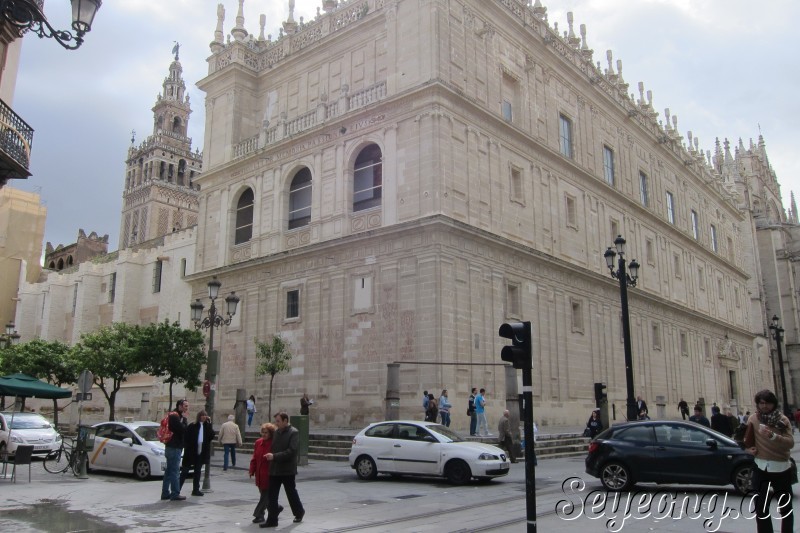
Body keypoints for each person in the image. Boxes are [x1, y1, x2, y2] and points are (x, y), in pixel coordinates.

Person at [744, 389, 794, 533]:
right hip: (760, 467)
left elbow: (790, 442)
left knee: (785, 507)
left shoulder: (782, 419)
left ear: (774, 404)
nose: (764, 406)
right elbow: (744, 438)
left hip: (781, 468)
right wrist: (748, 449)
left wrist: (772, 436)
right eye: (761, 403)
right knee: (761, 507)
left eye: (768, 403)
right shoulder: (753, 419)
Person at [261, 412, 305, 528]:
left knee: (291, 493)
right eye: (276, 421)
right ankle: (272, 520)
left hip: (287, 470)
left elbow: (292, 451)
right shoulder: (276, 432)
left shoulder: (293, 432)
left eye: (278, 421)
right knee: (272, 496)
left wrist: (275, 456)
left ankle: (299, 512)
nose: (276, 423)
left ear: (285, 421)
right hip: (275, 469)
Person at [180, 410, 214, 497]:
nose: (204, 417)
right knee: (185, 471)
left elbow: (211, 436)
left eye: (205, 415)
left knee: (197, 471)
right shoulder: (193, 425)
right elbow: (186, 437)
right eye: (202, 415)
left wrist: (209, 424)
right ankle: (177, 489)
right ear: (199, 416)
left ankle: (196, 489)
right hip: (191, 451)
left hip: (201, 451)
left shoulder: (207, 426)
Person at [161, 399, 188, 501]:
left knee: (169, 471)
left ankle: (165, 493)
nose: (187, 408)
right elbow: (182, 429)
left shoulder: (175, 415)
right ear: (180, 406)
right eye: (185, 406)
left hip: (173, 446)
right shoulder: (175, 416)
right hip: (174, 447)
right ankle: (175, 493)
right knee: (175, 471)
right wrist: (185, 420)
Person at [249, 423, 276, 524]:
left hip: (269, 473)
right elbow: (254, 458)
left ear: (271, 434)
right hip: (259, 474)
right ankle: (276, 508)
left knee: (264, 495)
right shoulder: (258, 442)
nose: (264, 435)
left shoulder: (273, 444)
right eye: (263, 432)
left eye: (266, 433)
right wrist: (252, 469)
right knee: (264, 495)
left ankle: (259, 514)